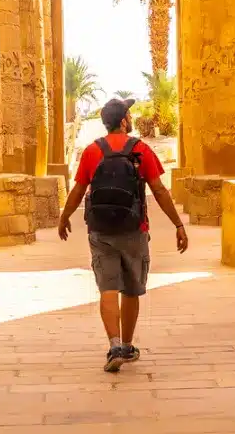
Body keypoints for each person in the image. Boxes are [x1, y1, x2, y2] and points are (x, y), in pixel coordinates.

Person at [58, 98, 188, 373]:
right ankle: (128, 347)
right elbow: (160, 191)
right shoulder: (141, 150)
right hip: (134, 229)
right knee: (130, 289)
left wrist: (64, 217)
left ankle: (114, 345)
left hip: (101, 230)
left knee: (108, 288)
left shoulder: (92, 152)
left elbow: (79, 190)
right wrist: (178, 224)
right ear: (124, 121)